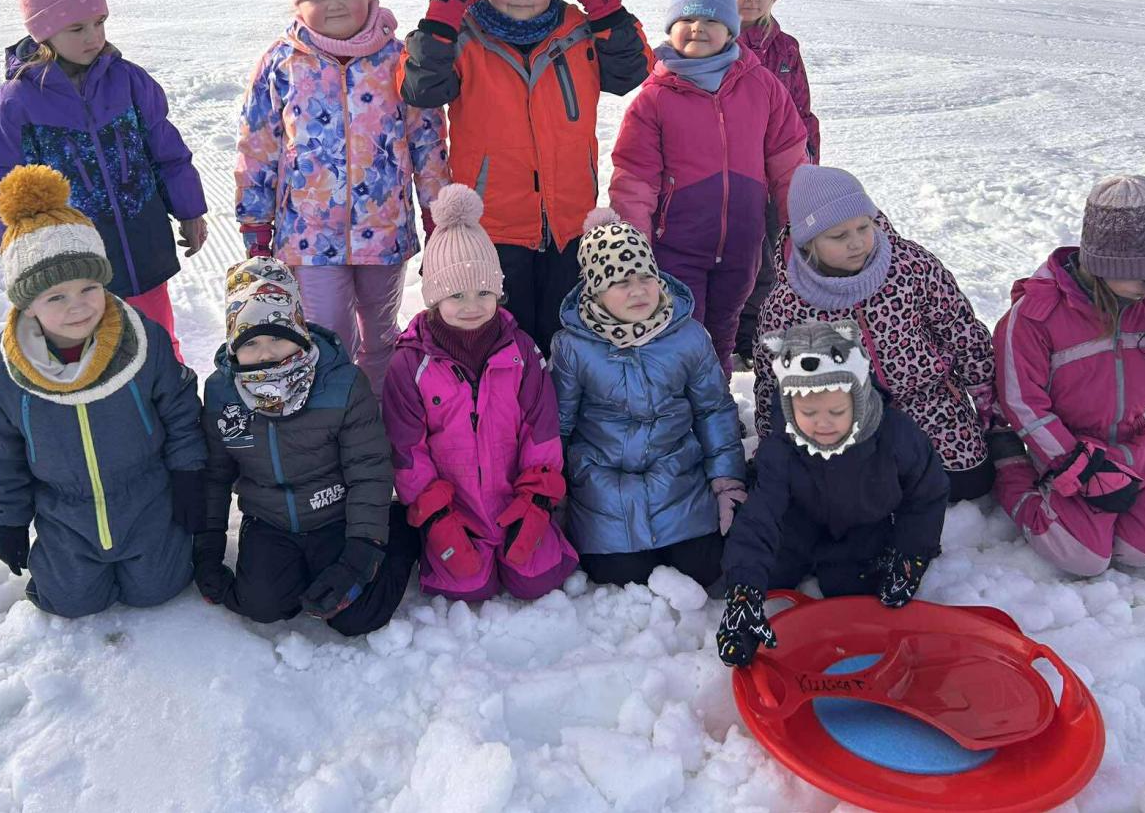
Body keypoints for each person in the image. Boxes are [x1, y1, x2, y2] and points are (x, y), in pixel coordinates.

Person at [399, 0, 651, 354]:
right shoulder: (463, 35)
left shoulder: (579, 31)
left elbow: (631, 70)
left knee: (565, 341)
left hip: (569, 223)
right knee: (503, 346)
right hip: (494, 225)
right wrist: (442, 15)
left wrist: (602, 2)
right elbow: (420, 87)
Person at [0, 165, 208, 618]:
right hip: (66, 511)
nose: (78, 306)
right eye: (55, 297)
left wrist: (189, 476)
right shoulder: (6, 371)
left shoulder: (144, 342)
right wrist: (9, 519)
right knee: (68, 601)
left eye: (89, 287)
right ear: (27, 304)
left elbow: (181, 413)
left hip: (146, 499)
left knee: (159, 588)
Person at [236, 0, 448, 394]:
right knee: (327, 338)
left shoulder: (398, 59)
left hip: (384, 230)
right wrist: (255, 225)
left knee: (380, 336)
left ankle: (378, 417)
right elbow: (258, 147)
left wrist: (438, 215)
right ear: (298, 4)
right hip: (309, 238)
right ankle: (335, 420)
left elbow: (427, 141)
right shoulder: (281, 64)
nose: (333, 5)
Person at [0, 0, 208, 364]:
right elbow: (10, 188)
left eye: (99, 22)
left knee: (157, 341)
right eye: (77, 28)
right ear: (43, 31)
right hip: (74, 257)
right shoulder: (14, 104)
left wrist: (190, 210)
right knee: (91, 353)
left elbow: (167, 152)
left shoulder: (130, 82)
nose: (93, 37)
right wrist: (15, 252)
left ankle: (173, 400)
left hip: (143, 243)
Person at [989, 176, 1145, 577]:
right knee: (1084, 558)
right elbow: (1023, 403)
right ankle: (1015, 473)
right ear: (1107, 264)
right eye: (1143, 273)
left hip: (1134, 443)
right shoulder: (1035, 317)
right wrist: (1078, 466)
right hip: (1067, 445)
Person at [193, 257, 418, 636]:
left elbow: (369, 468)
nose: (266, 353)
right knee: (263, 606)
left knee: (356, 616)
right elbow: (215, 476)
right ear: (233, 344)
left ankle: (398, 533)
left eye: (277, 337)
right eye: (251, 342)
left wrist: (362, 550)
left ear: (299, 330)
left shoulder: (342, 383)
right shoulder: (222, 392)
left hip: (337, 516)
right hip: (270, 521)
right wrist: (208, 550)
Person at [609, 0, 807, 377]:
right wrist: (636, 248)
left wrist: (799, 230)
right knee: (682, 330)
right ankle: (680, 404)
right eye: (687, 19)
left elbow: (789, 162)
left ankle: (716, 400)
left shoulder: (761, 86)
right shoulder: (654, 98)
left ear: (731, 30)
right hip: (676, 247)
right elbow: (634, 179)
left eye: (712, 20)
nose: (698, 28)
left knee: (722, 332)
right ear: (671, 27)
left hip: (742, 245)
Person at [381, 184, 578, 601]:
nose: (472, 306)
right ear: (434, 296)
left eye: (484, 292)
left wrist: (536, 501)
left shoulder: (521, 351)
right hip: (456, 510)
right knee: (468, 585)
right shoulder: (410, 364)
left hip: (516, 501)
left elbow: (541, 431)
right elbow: (408, 451)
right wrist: (437, 518)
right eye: (457, 295)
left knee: (537, 579)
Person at [752, 166, 997, 501]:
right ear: (808, 242)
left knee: (969, 481)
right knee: (852, 498)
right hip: (846, 418)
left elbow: (961, 330)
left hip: (927, 399)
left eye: (864, 227)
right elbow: (772, 380)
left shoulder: (911, 267)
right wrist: (772, 445)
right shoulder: (788, 303)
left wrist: (986, 397)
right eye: (838, 236)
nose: (856, 243)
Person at [716, 320, 949, 667]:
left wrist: (912, 553)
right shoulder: (782, 446)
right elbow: (761, 516)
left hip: (864, 522)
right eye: (808, 412)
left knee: (855, 590)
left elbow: (926, 494)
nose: (822, 423)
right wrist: (743, 592)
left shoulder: (895, 436)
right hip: (798, 523)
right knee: (768, 572)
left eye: (836, 411)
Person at [550, 209, 747, 589]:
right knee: (623, 575)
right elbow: (558, 425)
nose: (638, 291)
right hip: (604, 486)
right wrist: (554, 497)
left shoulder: (688, 336)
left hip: (677, 478)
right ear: (595, 291)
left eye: (645, 278)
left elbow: (713, 411)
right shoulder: (573, 348)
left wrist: (727, 482)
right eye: (621, 282)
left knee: (704, 568)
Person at [716, 0, 820, 365]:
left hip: (778, 173)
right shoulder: (712, 42)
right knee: (732, 255)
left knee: (772, 258)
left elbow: (801, 112)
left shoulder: (785, 48)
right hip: (728, 173)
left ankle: (755, 333)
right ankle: (723, 331)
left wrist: (808, 167)